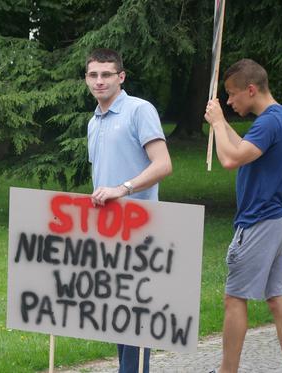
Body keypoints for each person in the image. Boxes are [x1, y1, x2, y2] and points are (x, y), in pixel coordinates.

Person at [204, 59, 282, 373]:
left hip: (260, 221)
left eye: (233, 95)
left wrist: (219, 124)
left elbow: (231, 159)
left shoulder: (268, 123)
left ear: (251, 89)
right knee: (278, 300)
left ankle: (227, 371)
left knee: (234, 299)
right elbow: (244, 149)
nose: (230, 101)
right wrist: (221, 124)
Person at [85, 48, 172, 373]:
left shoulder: (139, 110)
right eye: (93, 74)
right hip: (107, 230)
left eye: (106, 74)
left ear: (121, 77)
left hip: (140, 229)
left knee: (135, 316)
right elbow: (102, 178)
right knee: (117, 316)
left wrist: (124, 188)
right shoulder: (93, 122)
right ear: (86, 79)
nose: (99, 81)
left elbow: (163, 164)